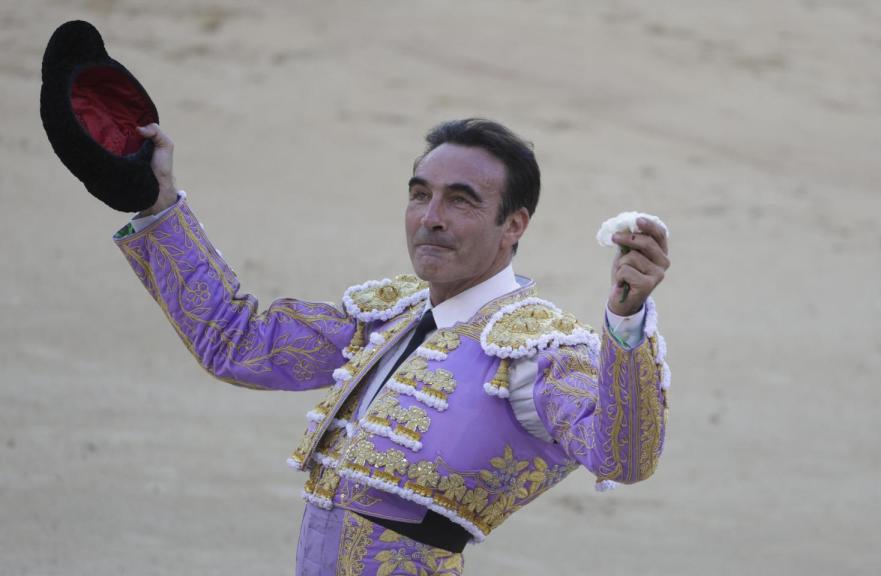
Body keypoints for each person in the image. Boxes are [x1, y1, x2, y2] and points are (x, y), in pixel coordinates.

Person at [115, 118, 671, 575]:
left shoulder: (538, 348)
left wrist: (625, 323)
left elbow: (620, 457)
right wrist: (159, 207)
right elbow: (237, 343)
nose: (431, 219)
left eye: (461, 201)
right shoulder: (388, 318)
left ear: (514, 225)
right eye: (420, 195)